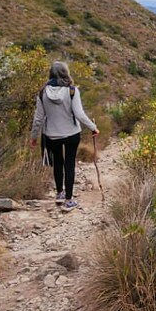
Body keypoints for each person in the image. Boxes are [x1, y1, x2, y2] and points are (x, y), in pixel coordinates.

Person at [30, 61, 98, 212]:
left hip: (51, 135)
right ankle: (69, 200)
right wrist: (93, 128)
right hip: (71, 134)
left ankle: (59, 194)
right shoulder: (72, 91)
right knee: (69, 164)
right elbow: (79, 114)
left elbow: (38, 119)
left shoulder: (42, 93)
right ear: (65, 73)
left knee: (58, 163)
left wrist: (34, 137)